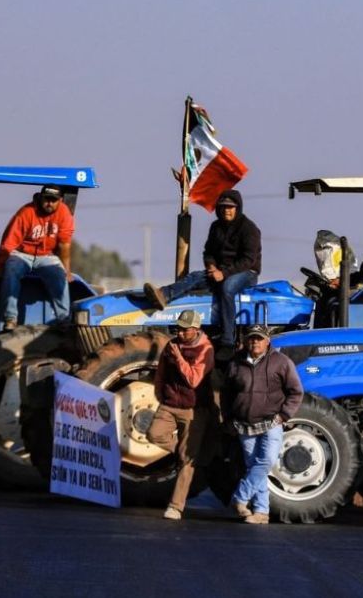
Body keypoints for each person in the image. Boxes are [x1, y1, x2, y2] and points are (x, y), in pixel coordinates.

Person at [143, 189, 260, 353]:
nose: (227, 210)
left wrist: (224, 274)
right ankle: (163, 295)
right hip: (220, 270)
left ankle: (228, 339)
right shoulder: (216, 227)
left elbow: (248, 260)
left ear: (237, 208)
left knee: (227, 288)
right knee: (195, 277)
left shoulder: (249, 229)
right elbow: (208, 252)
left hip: (246, 272)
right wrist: (211, 267)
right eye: (224, 207)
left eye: (231, 207)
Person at [221, 324, 303, 525]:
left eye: (259, 338)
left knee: (266, 461)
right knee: (253, 467)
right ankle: (261, 512)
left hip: (271, 422)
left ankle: (240, 498)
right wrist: (229, 418)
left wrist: (283, 416)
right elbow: (226, 394)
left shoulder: (281, 362)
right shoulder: (236, 363)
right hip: (244, 425)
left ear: (267, 341)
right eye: (251, 338)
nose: (255, 342)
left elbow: (296, 391)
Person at [145, 310, 215, 520]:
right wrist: (159, 392)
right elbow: (162, 371)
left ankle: (176, 506)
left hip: (193, 409)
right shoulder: (171, 345)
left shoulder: (206, 349)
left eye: (185, 329)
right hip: (169, 404)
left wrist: (179, 358)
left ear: (196, 329)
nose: (181, 332)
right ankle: (189, 455)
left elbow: (194, 379)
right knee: (154, 434)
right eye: (179, 328)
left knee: (187, 463)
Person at [0, 184, 74, 329]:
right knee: (11, 270)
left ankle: (64, 320)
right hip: (22, 254)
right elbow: (9, 242)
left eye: (53, 200)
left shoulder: (64, 213)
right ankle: (10, 319)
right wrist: (0, 266)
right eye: (46, 199)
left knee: (59, 275)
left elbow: (64, 245)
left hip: (47, 255)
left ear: (60, 200)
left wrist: (67, 271)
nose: (49, 203)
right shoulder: (26, 212)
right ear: (40, 197)